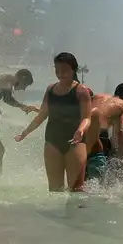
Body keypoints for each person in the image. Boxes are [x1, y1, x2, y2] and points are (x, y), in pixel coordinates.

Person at [15, 52, 93, 192]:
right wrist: (24, 133)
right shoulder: (50, 89)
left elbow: (87, 118)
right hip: (52, 141)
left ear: (73, 69)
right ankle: (56, 213)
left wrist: (80, 131)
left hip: (75, 141)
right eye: (57, 70)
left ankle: (76, 214)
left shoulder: (81, 91)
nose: (60, 73)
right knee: (54, 189)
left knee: (76, 189)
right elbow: (42, 115)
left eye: (64, 70)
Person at [82, 84, 123, 185]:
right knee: (99, 183)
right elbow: (120, 131)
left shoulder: (99, 96)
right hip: (99, 137)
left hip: (81, 131)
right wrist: (121, 158)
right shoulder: (122, 105)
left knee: (81, 181)